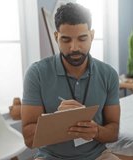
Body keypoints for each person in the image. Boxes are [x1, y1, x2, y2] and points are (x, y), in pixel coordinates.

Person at [21, 3, 121, 160]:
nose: (74, 47)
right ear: (56, 37)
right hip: (51, 156)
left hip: (98, 156)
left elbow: (113, 132)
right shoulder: (37, 73)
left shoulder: (109, 75)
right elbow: (28, 140)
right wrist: (57, 122)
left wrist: (96, 131)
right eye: (66, 40)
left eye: (82, 38)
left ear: (92, 35)